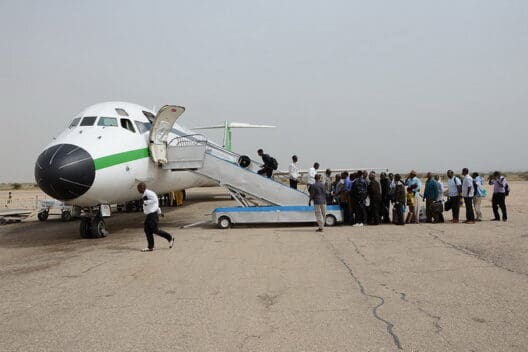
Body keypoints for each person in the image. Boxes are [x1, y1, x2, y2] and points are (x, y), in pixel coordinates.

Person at [137, 182, 174, 252]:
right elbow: (155, 203)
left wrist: (145, 202)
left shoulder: (148, 193)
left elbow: (155, 200)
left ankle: (170, 237)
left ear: (142, 188)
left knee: (155, 230)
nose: (138, 190)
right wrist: (160, 212)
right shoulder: (146, 194)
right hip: (150, 215)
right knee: (147, 230)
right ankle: (150, 246)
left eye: (138, 188)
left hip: (152, 215)